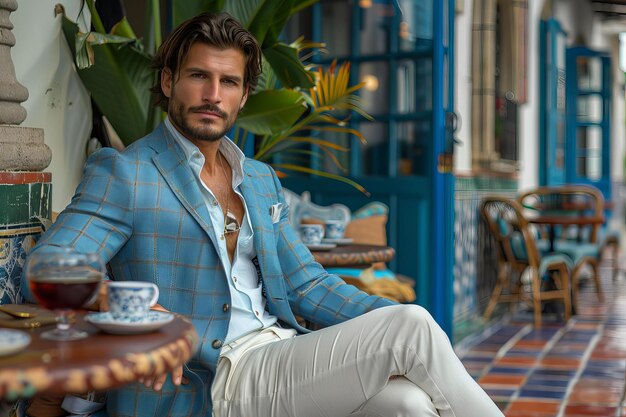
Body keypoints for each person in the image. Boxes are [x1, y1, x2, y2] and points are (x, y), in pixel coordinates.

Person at [22, 11, 504, 417]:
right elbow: (48, 266)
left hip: (277, 352)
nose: (213, 94)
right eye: (198, 76)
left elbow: (307, 286)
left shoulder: (257, 179)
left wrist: (386, 330)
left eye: (228, 81)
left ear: (243, 96)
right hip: (208, 380)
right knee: (414, 326)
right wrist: (122, 303)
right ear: (168, 82)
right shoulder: (127, 173)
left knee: (408, 403)